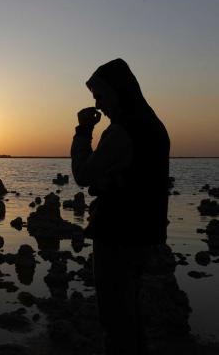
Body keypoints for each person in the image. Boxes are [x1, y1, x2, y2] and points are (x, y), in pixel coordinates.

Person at [70, 58, 170, 355]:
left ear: (116, 91)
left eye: (100, 96)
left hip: (117, 235)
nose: (99, 105)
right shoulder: (155, 126)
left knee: (115, 318)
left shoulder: (121, 131)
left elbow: (83, 174)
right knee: (130, 313)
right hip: (145, 234)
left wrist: (82, 131)